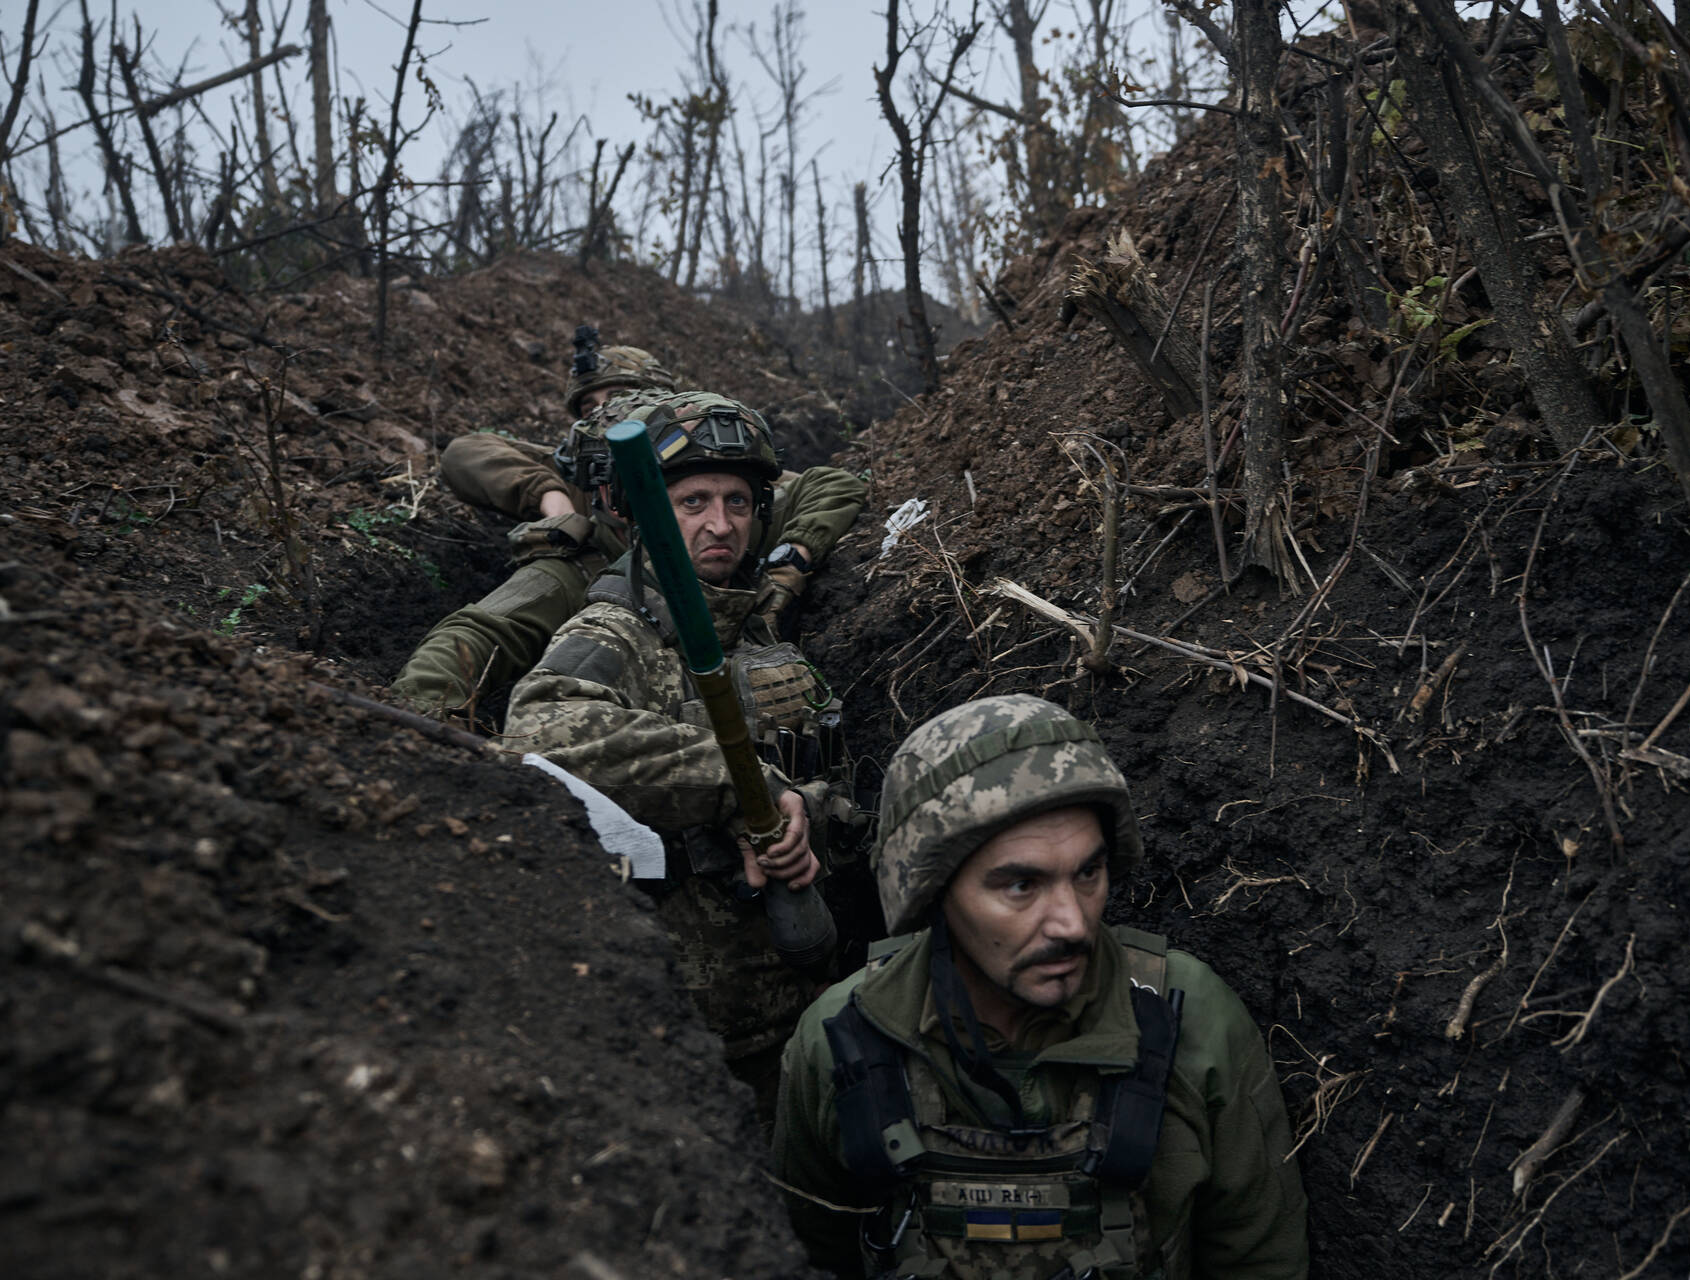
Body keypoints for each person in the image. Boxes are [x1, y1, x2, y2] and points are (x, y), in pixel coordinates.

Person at [773, 695, 1310, 1280]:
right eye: (1021, 885)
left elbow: (1260, 1258)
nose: (1073, 924)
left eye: (1088, 872)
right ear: (932, 894)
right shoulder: (840, 1041)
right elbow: (803, 1255)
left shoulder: (1190, 1020)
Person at [504, 389, 869, 1119]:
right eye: (694, 500)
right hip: (696, 1037)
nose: (720, 524)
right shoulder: (618, 630)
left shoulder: (756, 625)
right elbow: (538, 728)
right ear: (646, 517)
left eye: (737, 502)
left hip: (812, 1013)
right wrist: (740, 787)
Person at [390, 341, 680, 715]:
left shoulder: (727, 486)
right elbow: (465, 453)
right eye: (590, 406)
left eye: (621, 396)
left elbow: (780, 494)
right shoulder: (580, 471)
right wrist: (550, 496)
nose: (608, 413)